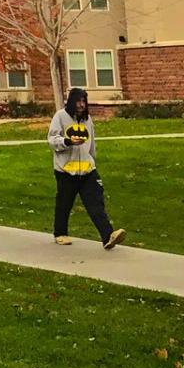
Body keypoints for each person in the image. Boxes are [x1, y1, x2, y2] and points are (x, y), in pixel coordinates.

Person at [47, 87, 126, 249]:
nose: (81, 105)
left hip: (87, 170)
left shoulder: (87, 119)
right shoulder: (60, 116)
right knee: (64, 203)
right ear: (71, 102)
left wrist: (92, 161)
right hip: (66, 171)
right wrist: (67, 142)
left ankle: (108, 236)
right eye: (78, 101)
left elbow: (92, 144)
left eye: (84, 101)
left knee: (96, 202)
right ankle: (60, 233)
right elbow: (52, 139)